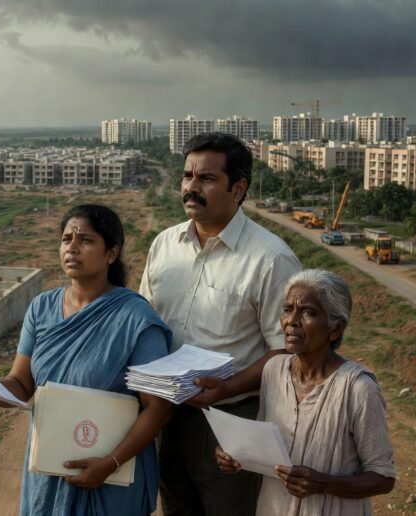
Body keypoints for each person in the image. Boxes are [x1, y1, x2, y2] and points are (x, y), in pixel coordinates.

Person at [0, 204, 173, 516]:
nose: (71, 248)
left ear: (111, 253)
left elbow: (158, 408)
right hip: (50, 470)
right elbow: (21, 383)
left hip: (114, 475)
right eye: (66, 239)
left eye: (85, 240)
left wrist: (110, 463)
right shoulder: (41, 308)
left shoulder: (136, 318)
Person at [139, 132, 302, 515]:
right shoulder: (164, 244)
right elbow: (145, 323)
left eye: (207, 179)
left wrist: (225, 387)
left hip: (232, 421)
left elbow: (287, 351)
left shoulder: (270, 259)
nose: (191, 187)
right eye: (187, 176)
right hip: (166, 414)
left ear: (238, 188)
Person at [215, 269, 396, 515]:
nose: (292, 320)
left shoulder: (357, 388)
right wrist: (235, 454)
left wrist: (324, 483)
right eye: (288, 309)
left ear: (335, 329)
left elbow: (384, 478)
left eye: (308, 312)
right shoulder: (273, 370)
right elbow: (265, 449)